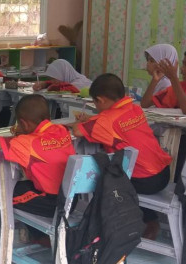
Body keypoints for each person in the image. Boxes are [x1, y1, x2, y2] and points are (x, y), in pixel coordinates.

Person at [70, 73, 171, 239]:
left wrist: (79, 122)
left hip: (145, 181)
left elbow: (77, 131)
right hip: (163, 173)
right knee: (125, 174)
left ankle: (105, 227)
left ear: (100, 100)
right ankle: (149, 220)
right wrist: (94, 118)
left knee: (104, 180)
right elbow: (114, 121)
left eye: (95, 103)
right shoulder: (134, 108)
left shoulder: (106, 120)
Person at [0, 95, 74, 254]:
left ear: (24, 123)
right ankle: (40, 236)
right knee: (20, 189)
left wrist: (18, 136)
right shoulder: (61, 130)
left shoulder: (26, 142)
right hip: (71, 198)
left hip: (51, 203)